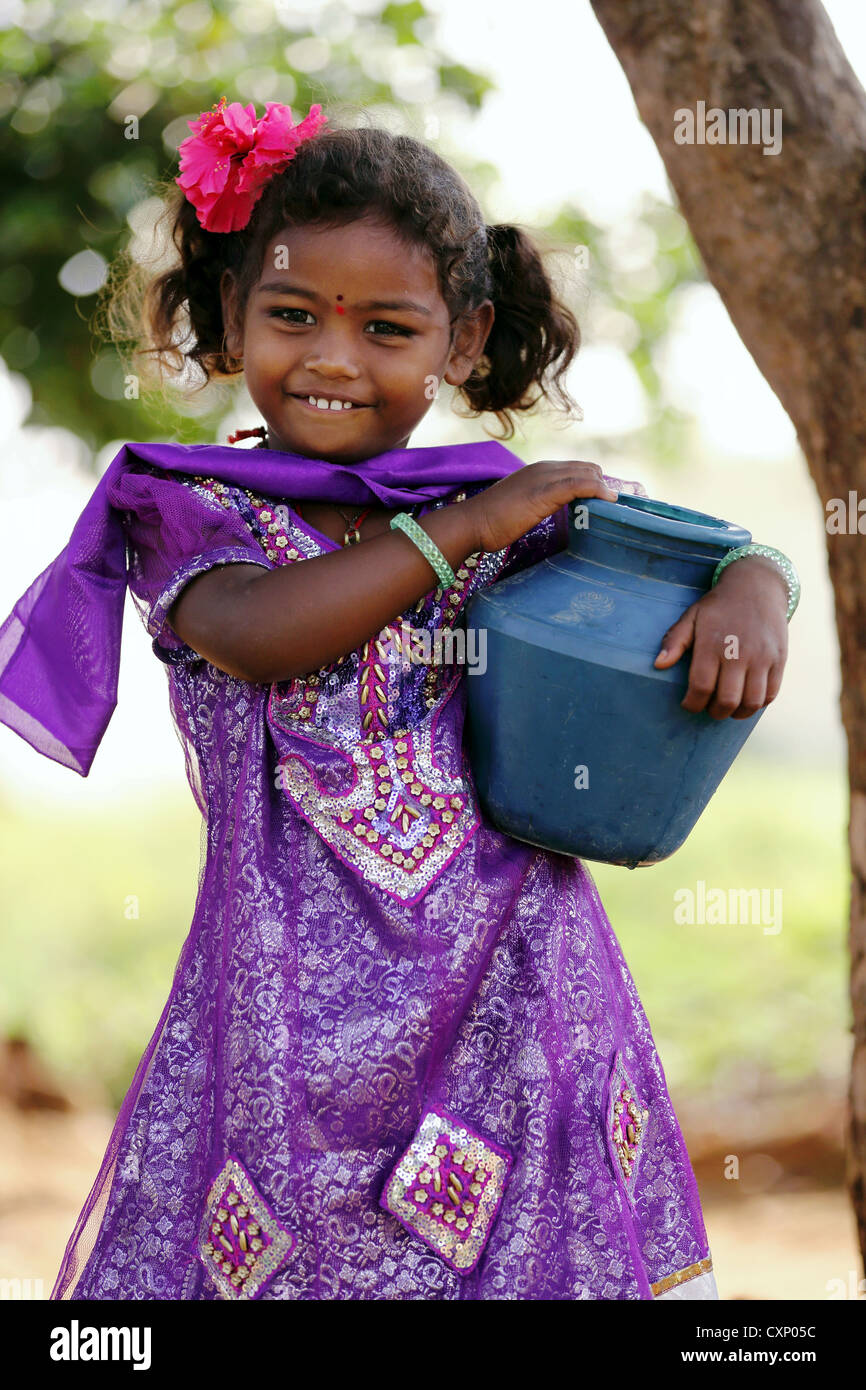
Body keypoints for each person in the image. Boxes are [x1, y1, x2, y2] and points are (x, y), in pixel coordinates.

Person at [0, 98, 798, 1301]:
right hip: (281, 1009)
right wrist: (462, 530)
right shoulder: (184, 505)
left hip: (512, 983)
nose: (331, 358)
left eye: (385, 327)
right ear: (230, 314)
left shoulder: (504, 501)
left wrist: (755, 584)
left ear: (462, 339)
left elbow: (687, 552)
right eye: (290, 316)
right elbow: (260, 636)